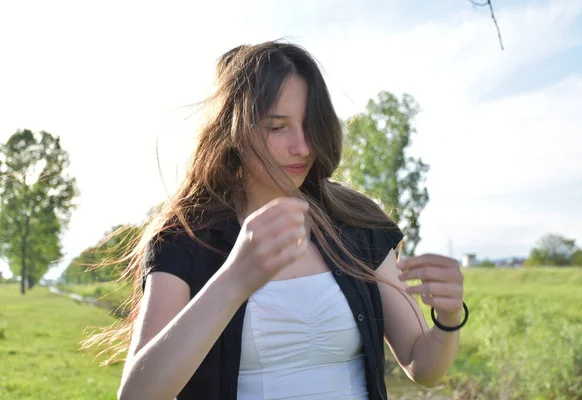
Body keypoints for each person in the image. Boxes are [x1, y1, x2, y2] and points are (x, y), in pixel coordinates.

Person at [105, 40, 466, 400]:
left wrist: (449, 316)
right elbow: (137, 394)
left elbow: (423, 366)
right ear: (233, 131)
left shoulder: (357, 224)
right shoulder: (185, 236)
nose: (303, 147)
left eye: (311, 125)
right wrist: (234, 280)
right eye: (277, 127)